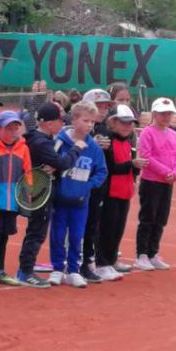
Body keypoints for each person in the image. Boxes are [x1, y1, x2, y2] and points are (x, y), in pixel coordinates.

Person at [16, 102, 86, 288]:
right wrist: (77, 148)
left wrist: (54, 164)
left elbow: (55, 163)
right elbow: (63, 163)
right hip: (40, 193)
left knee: (36, 231)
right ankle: (26, 271)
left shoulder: (40, 140)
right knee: (36, 233)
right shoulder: (41, 142)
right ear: (48, 124)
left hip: (38, 191)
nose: (63, 124)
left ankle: (25, 270)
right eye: (60, 121)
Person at [48, 101, 107, 287]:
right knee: (57, 235)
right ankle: (57, 269)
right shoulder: (59, 141)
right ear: (73, 120)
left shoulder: (94, 148)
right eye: (85, 120)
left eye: (92, 121)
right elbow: (51, 164)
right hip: (59, 199)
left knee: (76, 236)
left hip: (81, 201)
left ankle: (73, 270)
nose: (90, 125)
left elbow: (101, 171)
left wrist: (87, 186)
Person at [94, 104, 145, 281]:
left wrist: (135, 168)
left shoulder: (130, 141)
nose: (128, 126)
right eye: (123, 122)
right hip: (110, 193)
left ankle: (112, 260)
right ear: (113, 122)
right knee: (107, 229)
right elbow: (111, 168)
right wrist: (132, 165)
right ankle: (102, 264)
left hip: (125, 191)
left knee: (118, 229)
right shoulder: (107, 141)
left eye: (130, 123)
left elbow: (130, 166)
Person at [0, 111, 31, 287]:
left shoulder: (24, 149)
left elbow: (28, 174)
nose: (13, 132)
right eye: (9, 128)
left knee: (4, 237)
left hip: (13, 201)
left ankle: (0, 272)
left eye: (16, 128)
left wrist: (27, 195)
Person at [134, 97, 176, 271]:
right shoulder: (147, 132)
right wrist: (166, 172)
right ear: (154, 114)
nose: (166, 116)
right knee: (147, 218)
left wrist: (175, 173)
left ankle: (153, 253)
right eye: (162, 113)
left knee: (161, 218)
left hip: (167, 183)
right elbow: (147, 157)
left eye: (169, 113)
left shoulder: (173, 134)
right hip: (151, 182)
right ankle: (142, 255)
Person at [78, 89, 114, 284]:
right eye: (100, 106)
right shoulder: (76, 129)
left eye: (107, 106)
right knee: (73, 225)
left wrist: (107, 149)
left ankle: (86, 264)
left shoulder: (105, 130)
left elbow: (106, 164)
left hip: (96, 186)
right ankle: (70, 263)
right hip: (76, 185)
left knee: (91, 225)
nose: (104, 110)